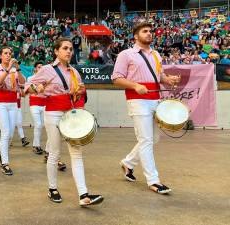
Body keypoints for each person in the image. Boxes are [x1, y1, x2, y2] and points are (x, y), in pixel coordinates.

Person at [26, 37, 103, 206]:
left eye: (70, 49)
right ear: (56, 51)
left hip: (71, 113)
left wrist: (82, 90)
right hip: (53, 112)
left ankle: (84, 195)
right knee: (54, 152)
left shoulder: (74, 72)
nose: (69, 51)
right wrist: (36, 88)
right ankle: (52, 188)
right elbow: (27, 87)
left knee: (76, 153)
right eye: (65, 48)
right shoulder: (46, 69)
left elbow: (80, 92)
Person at [111, 22, 180, 195]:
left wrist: (168, 79)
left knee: (153, 138)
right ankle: (153, 180)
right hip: (137, 100)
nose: (149, 33)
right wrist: (135, 85)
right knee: (146, 140)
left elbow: (159, 76)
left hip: (155, 99)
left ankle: (128, 163)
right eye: (145, 31)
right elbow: (116, 78)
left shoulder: (156, 54)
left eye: (150, 31)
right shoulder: (126, 54)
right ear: (136, 36)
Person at [0, 46, 26, 176]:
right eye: (5, 53)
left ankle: (2, 154)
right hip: (0, 103)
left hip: (12, 103)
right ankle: (5, 163)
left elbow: (23, 82)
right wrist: (7, 69)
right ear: (0, 56)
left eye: (10, 53)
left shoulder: (14, 71)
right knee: (5, 132)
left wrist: (17, 68)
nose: (8, 55)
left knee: (10, 134)